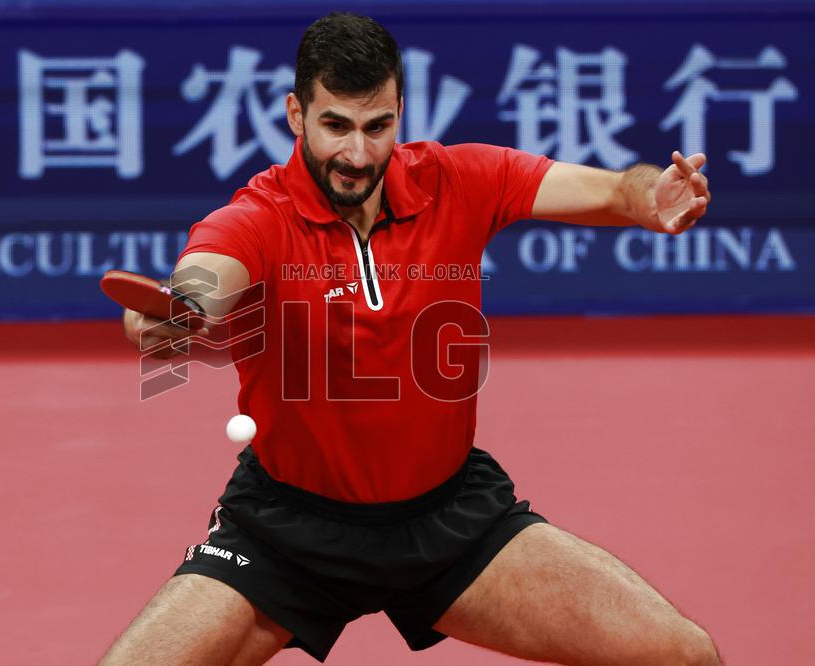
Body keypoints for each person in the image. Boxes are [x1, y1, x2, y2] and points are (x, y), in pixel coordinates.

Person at [101, 12, 719, 666]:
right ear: (295, 114)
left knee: (683, 654)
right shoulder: (256, 219)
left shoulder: (461, 180)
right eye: (335, 125)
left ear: (400, 112)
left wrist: (653, 198)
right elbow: (205, 275)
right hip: (285, 534)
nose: (357, 154)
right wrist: (177, 312)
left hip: (452, 522)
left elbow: (614, 190)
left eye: (377, 127)